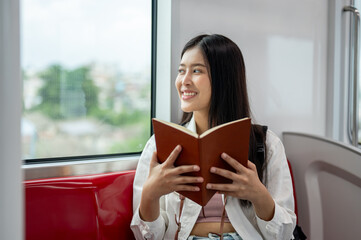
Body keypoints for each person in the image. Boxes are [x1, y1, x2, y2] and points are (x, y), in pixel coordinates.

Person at [130, 34, 296, 240]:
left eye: (196, 70)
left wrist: (258, 195)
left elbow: (284, 235)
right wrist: (150, 195)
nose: (184, 81)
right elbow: (147, 237)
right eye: (181, 71)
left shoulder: (266, 144)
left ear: (224, 79)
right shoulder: (159, 145)